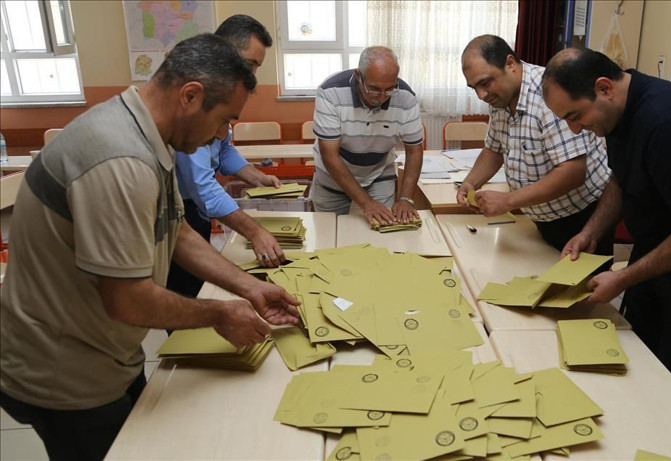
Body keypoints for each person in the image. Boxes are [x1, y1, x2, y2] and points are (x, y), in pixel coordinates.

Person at [0, 34, 301, 460]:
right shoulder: (119, 158)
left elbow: (175, 231)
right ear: (190, 96)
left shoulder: (146, 132)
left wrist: (248, 288)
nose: (222, 135)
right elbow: (128, 299)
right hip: (63, 376)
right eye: (224, 121)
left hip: (104, 356)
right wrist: (218, 313)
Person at [542, 47, 671, 407]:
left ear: (605, 87)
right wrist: (590, 231)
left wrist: (622, 278)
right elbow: (621, 180)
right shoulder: (617, 113)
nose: (574, 128)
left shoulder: (668, 123)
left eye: (575, 115)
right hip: (661, 248)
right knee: (638, 359)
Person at [457, 35, 613, 254]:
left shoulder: (549, 93)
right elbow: (494, 149)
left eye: (485, 83)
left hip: (582, 217)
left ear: (510, 64)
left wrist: (508, 201)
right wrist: (470, 183)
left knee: (586, 285)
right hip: (544, 216)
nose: (481, 95)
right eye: (474, 87)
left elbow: (572, 172)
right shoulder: (500, 95)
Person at [167, 15, 284, 300]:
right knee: (186, 292)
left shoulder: (219, 92)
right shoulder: (196, 97)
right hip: (181, 207)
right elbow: (203, 186)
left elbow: (224, 147)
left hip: (191, 210)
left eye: (256, 67)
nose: (252, 76)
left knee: (199, 283)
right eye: (249, 65)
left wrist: (255, 176)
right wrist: (254, 232)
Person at [311, 46, 424, 225]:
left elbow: (415, 151)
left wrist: (405, 199)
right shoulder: (330, 92)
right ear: (358, 75)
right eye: (374, 89)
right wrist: (366, 203)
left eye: (389, 89)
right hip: (333, 177)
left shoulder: (405, 97)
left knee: (382, 232)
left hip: (378, 174)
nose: (381, 97)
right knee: (329, 236)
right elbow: (329, 156)